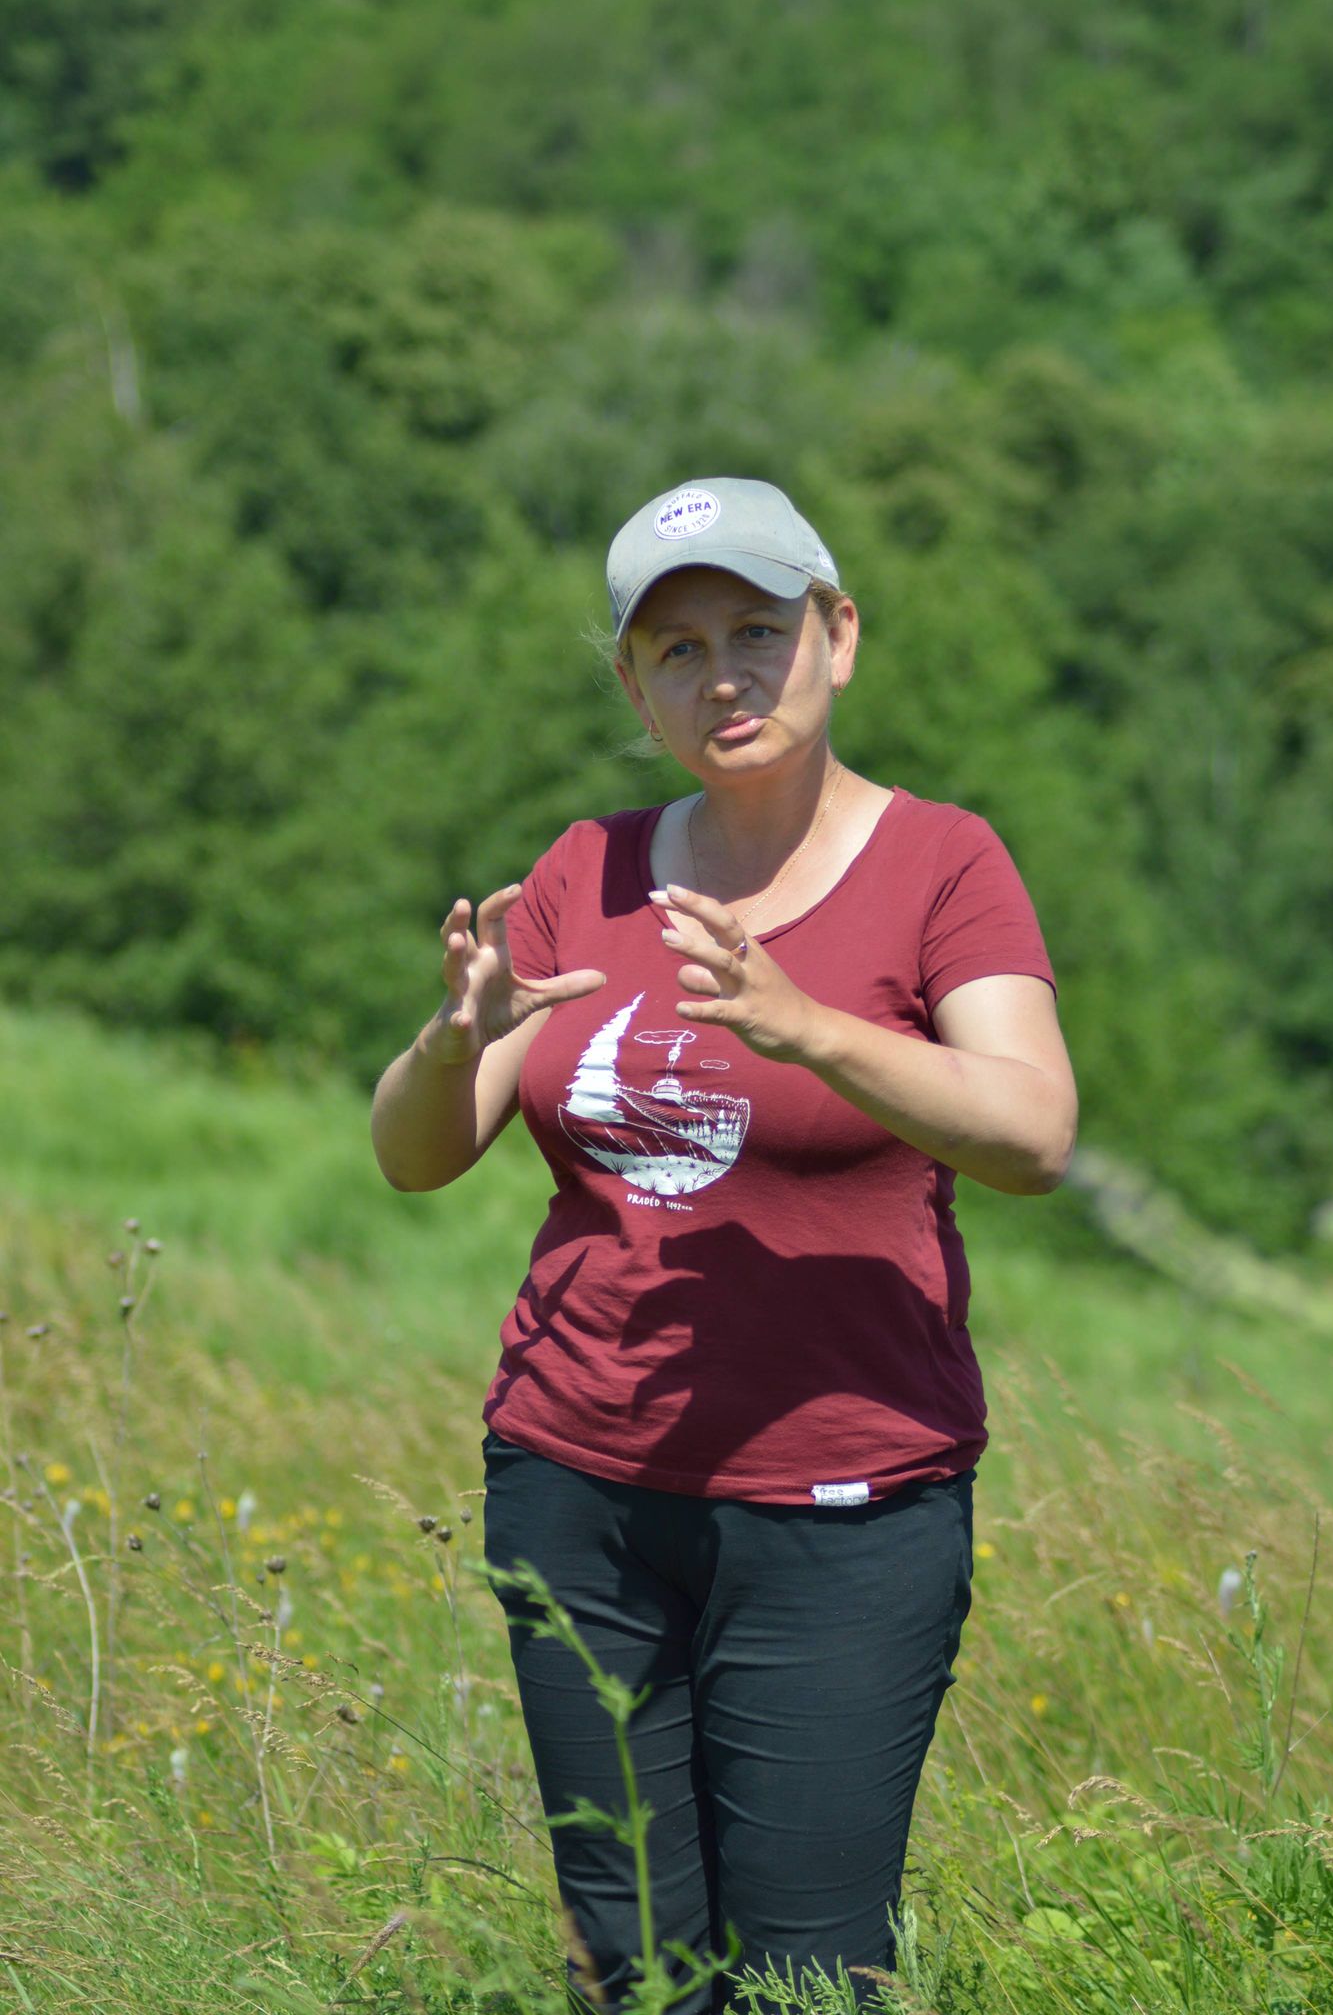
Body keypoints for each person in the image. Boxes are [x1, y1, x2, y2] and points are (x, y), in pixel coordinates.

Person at [370, 477, 1077, 2012]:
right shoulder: (586, 870)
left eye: (757, 631)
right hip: (576, 1493)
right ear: (635, 688)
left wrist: (802, 1026)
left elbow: (1032, 1134)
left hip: (841, 1509)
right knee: (637, 1970)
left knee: (806, 1977)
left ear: (838, 637)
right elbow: (417, 1158)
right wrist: (449, 1039)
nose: (723, 677)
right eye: (676, 650)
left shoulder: (942, 864)